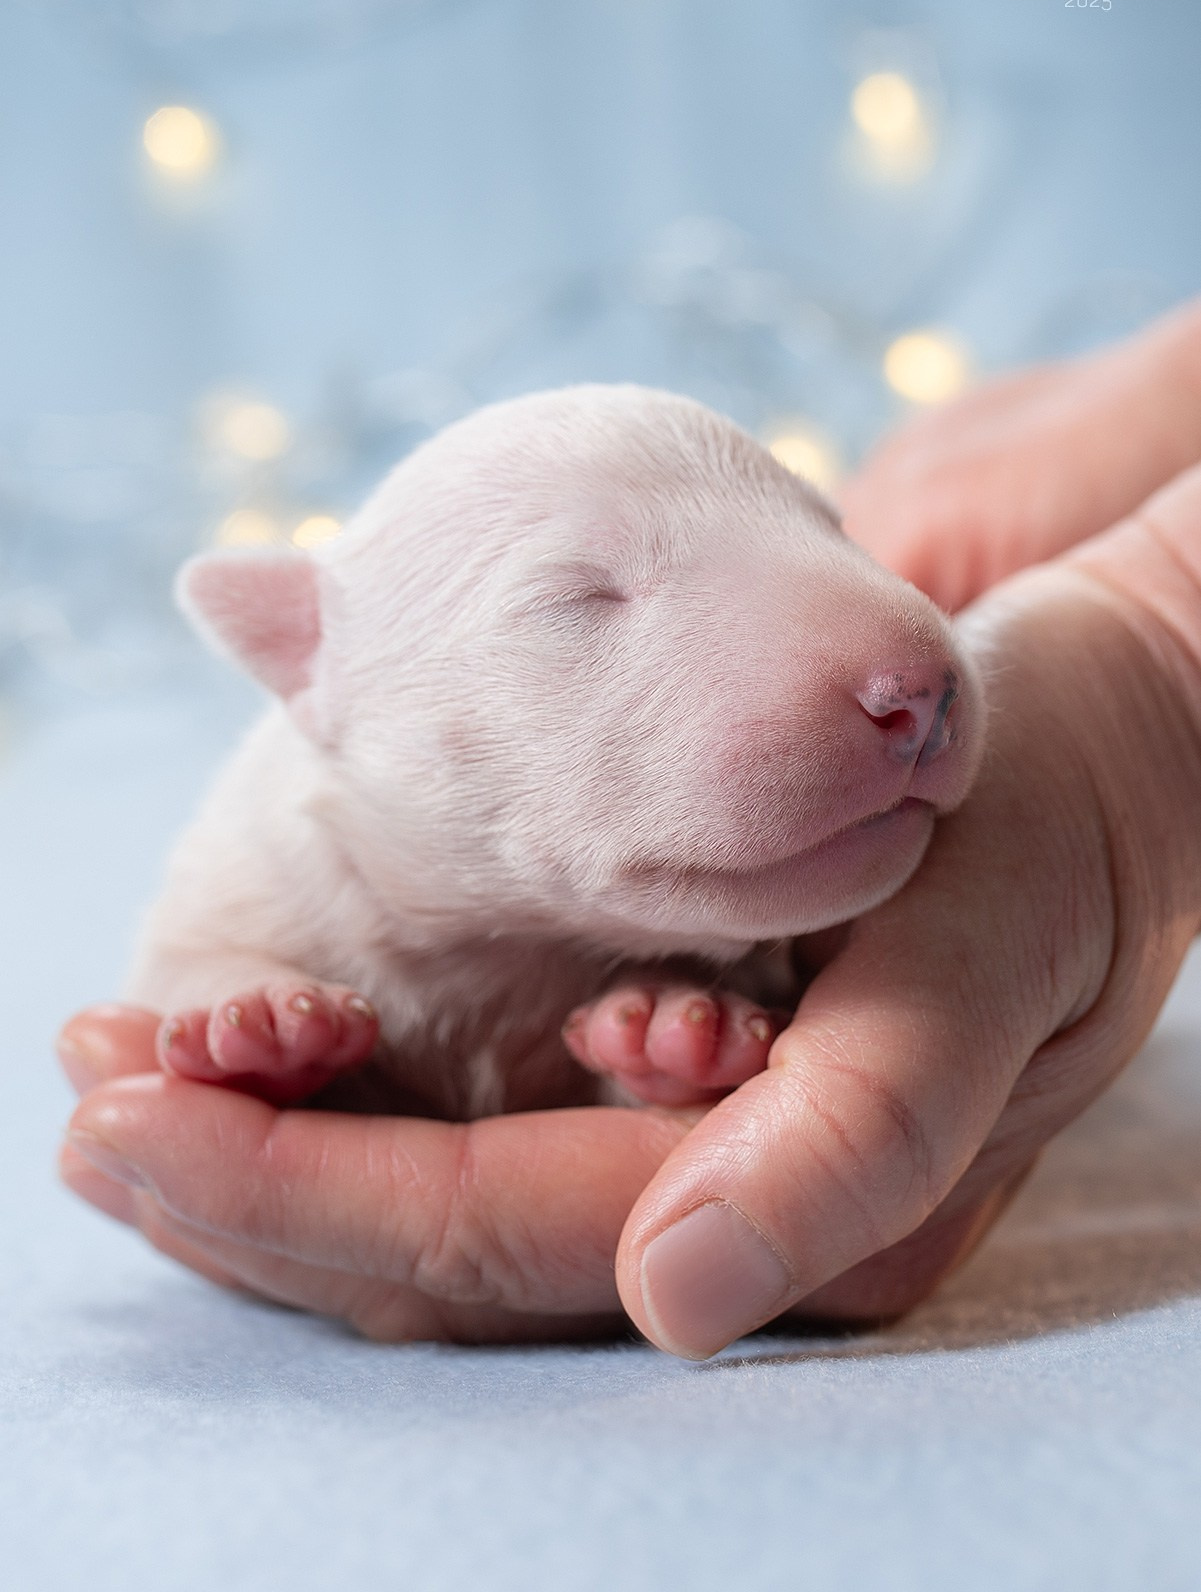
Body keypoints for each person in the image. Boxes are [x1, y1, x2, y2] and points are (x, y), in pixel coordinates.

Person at [58, 299, 1201, 1359]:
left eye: (821, 530)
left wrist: (1161, 649)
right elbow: (181, 979)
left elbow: (766, 1048)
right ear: (314, 663)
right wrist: (226, 1017)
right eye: (580, 600)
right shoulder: (266, 854)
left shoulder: (705, 906)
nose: (903, 668)